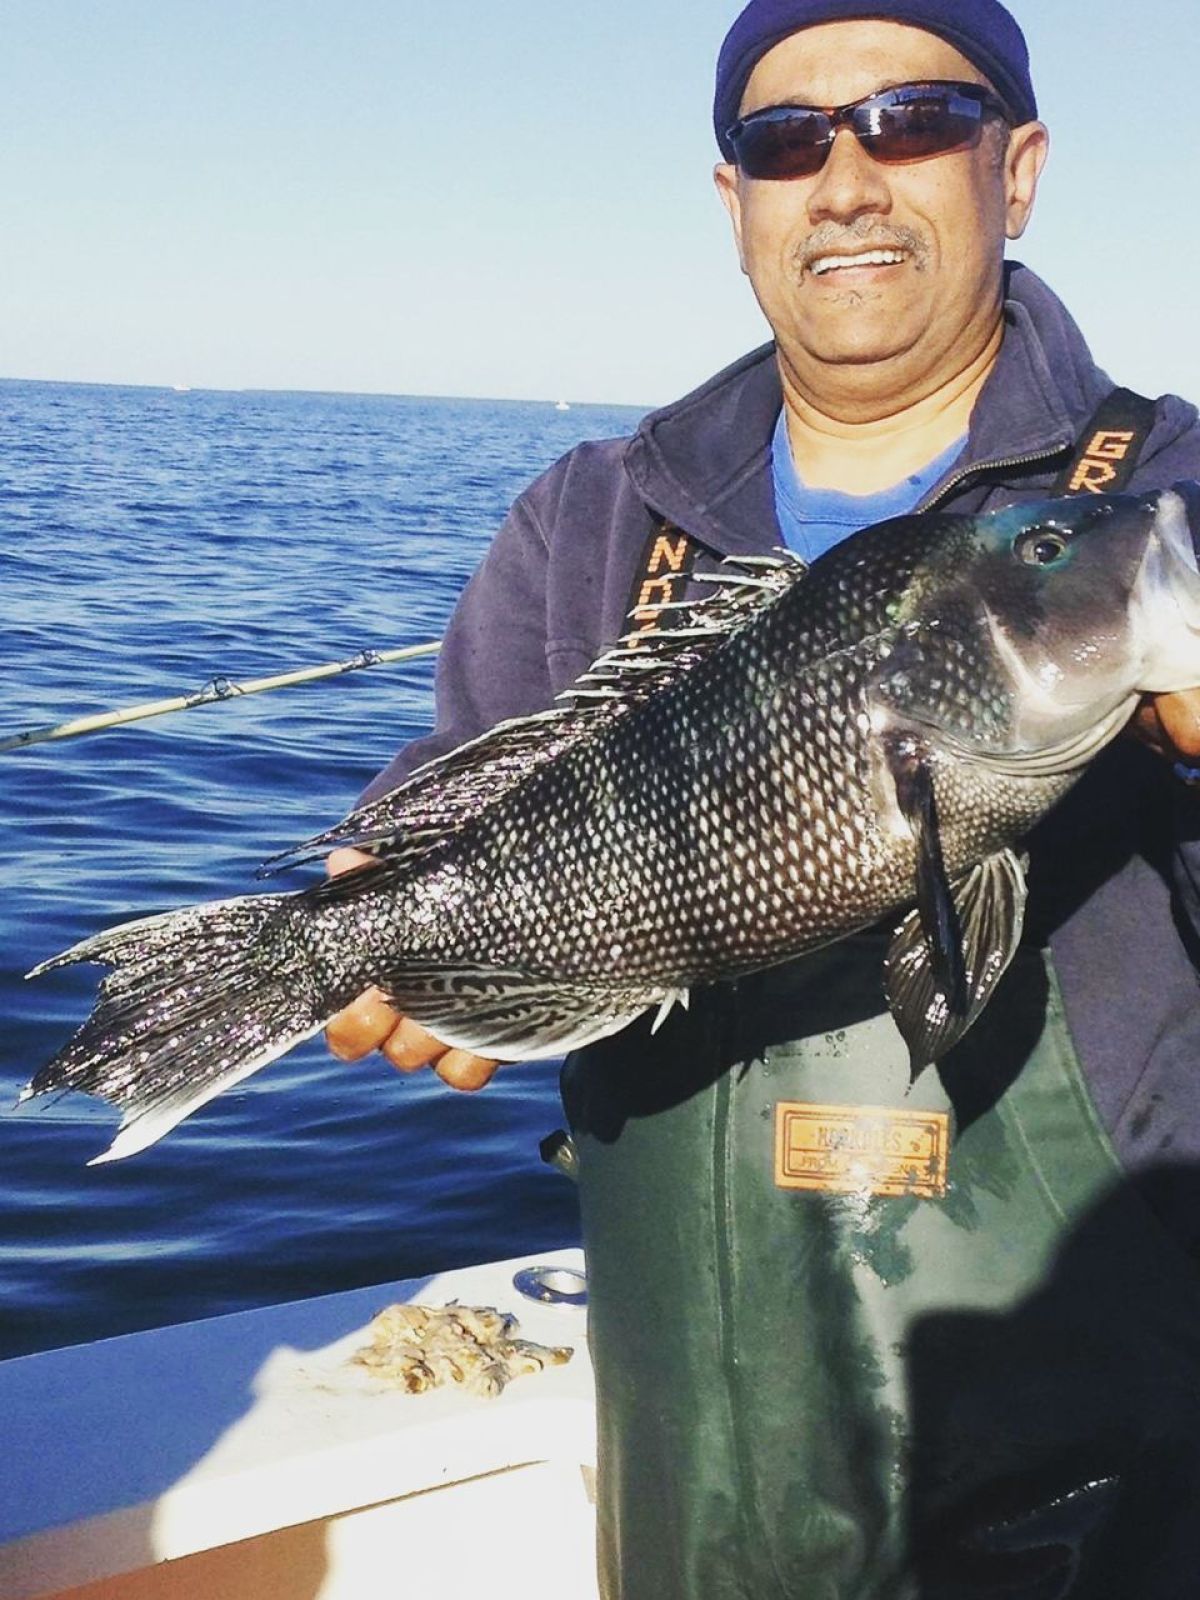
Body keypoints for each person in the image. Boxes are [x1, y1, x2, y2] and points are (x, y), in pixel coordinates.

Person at [327, 2, 1200, 1593]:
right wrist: (388, 903)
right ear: (735, 205)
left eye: (916, 120)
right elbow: (455, 784)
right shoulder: (596, 515)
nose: (848, 180)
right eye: (785, 140)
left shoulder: (1164, 505)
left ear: (1020, 171)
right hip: (691, 1442)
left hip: (1091, 1456)